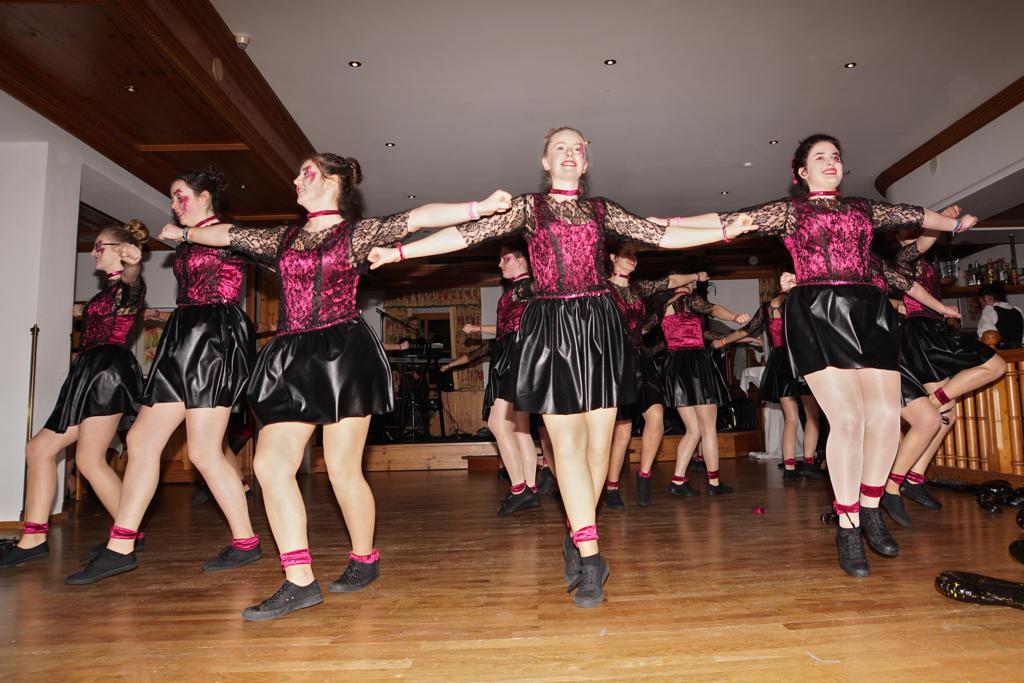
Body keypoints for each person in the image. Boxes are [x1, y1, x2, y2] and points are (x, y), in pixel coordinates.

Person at [368, 126, 757, 607]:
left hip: (599, 325)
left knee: (598, 447)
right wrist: (399, 251)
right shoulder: (528, 208)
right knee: (566, 445)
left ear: (585, 162)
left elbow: (659, 233)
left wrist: (724, 231)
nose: (570, 153)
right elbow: (464, 235)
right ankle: (591, 556)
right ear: (546, 161)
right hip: (550, 326)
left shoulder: (602, 210)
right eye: (560, 148)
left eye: (578, 148)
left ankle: (578, 531)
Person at [160, 152, 511, 620]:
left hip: (341, 353)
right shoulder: (283, 238)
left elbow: (418, 217)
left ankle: (364, 557)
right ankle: (298, 579)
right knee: (268, 465)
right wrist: (184, 234)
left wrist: (477, 208)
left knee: (343, 469)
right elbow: (226, 234)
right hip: (290, 356)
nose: (295, 179)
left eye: (306, 172)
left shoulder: (354, 234)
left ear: (332, 182)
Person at [663, 133, 976, 577]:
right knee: (847, 420)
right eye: (819, 157)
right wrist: (667, 226)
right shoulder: (791, 211)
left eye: (835, 156)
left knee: (885, 416)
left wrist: (954, 226)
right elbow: (728, 219)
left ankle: (870, 505)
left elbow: (912, 214)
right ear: (802, 172)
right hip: (817, 311)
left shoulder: (863, 208)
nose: (830, 161)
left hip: (869, 311)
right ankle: (847, 526)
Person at [68, 169, 261, 585]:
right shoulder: (187, 240)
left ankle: (246, 542)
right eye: (172, 198)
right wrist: (137, 262)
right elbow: (135, 281)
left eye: (180, 195)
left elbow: (229, 237)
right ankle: (121, 545)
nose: (174, 205)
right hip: (182, 336)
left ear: (205, 196)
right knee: (140, 439)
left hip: (215, 337)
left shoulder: (224, 232)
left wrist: (183, 233)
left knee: (205, 451)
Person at [1, 221, 148, 568]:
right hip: (88, 372)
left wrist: (134, 265)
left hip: (107, 373)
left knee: (89, 459)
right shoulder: (104, 293)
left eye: (99, 246)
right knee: (39, 449)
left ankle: (127, 533)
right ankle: (34, 537)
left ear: (120, 250)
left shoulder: (126, 288)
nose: (94, 252)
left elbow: (133, 285)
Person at [443, 243, 542, 516]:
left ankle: (519, 489)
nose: (500, 265)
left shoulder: (528, 285)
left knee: (498, 424)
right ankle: (531, 489)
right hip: (510, 353)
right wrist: (479, 328)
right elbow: (506, 327)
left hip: (517, 356)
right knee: (520, 429)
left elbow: (531, 313)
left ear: (523, 260)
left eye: (505, 259)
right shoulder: (513, 290)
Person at [603, 242, 704, 509]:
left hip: (641, 358)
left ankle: (644, 475)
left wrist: (696, 275)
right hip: (616, 361)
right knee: (622, 431)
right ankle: (612, 487)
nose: (632, 258)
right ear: (612, 257)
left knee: (656, 416)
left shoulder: (638, 289)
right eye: (627, 254)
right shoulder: (602, 289)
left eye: (635, 255)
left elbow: (670, 281)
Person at [658, 281, 750, 497]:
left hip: (674, 368)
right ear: (688, 283)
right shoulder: (689, 300)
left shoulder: (663, 307)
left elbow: (644, 329)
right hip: (696, 365)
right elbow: (713, 309)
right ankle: (714, 482)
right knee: (708, 429)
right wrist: (734, 316)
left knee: (693, 430)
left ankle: (678, 480)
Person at [759, 290, 823, 482]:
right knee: (812, 415)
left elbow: (747, 328)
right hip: (800, 360)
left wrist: (723, 341)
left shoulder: (768, 307)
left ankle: (789, 467)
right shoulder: (801, 302)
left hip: (780, 362)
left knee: (791, 418)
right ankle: (809, 463)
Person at [977, 283, 1023, 348]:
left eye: (981, 303)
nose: (982, 306)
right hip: (1018, 352)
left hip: (1000, 353)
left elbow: (986, 337)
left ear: (986, 298)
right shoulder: (1018, 310)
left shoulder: (989, 309)